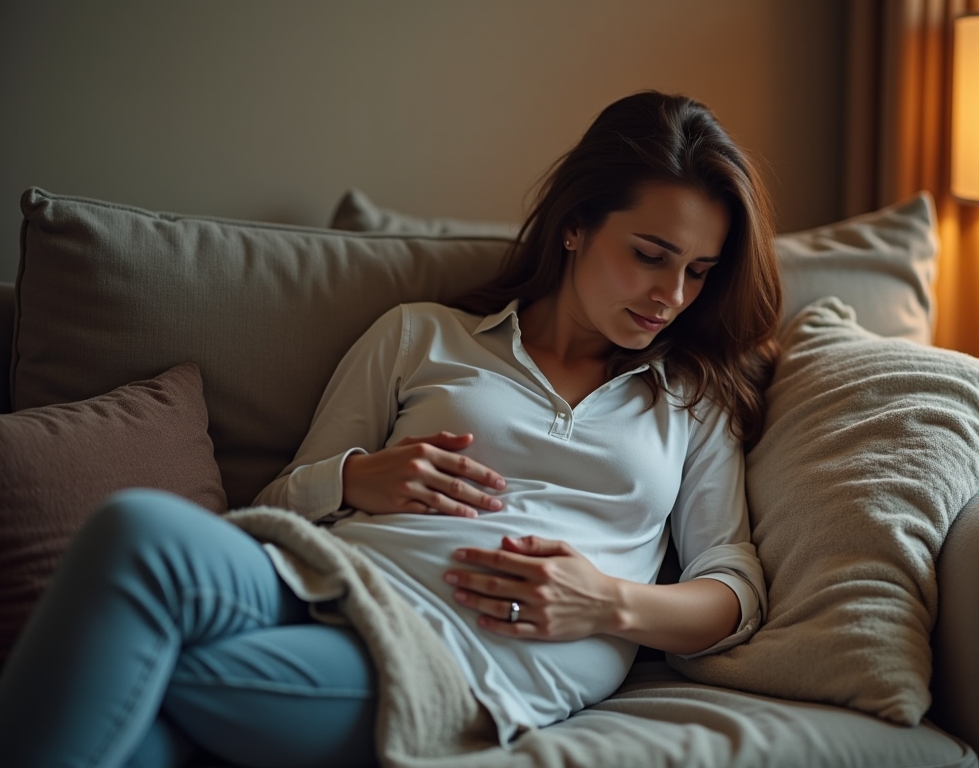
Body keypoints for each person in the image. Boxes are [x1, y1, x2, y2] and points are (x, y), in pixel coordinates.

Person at [0, 91, 781, 768]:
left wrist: (612, 604)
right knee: (133, 525)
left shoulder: (690, 398)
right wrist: (353, 478)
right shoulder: (422, 335)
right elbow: (274, 506)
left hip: (462, 657)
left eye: (699, 271)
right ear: (575, 227)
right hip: (322, 578)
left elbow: (732, 587)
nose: (671, 295)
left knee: (129, 676)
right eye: (650, 256)